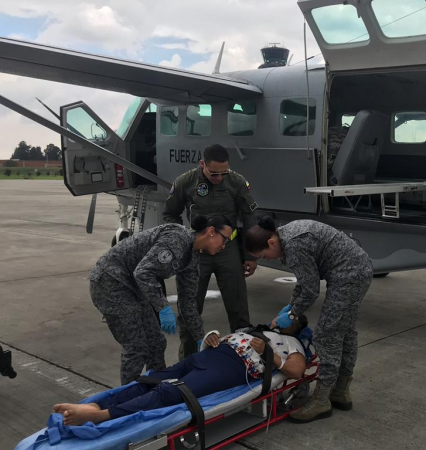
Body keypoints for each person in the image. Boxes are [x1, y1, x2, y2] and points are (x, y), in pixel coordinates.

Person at [53, 315, 309, 426]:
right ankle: (97, 406)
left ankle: (103, 416)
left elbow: (297, 370)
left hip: (235, 367)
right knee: (150, 379)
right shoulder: (254, 328)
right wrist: (211, 338)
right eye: (284, 313)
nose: (283, 317)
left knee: (169, 393)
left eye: (291, 317)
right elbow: (220, 337)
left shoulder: (290, 342)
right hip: (209, 355)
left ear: (294, 327)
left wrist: (269, 353)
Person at [245, 217, 373, 423]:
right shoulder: (286, 237)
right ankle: (340, 391)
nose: (266, 260)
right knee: (345, 331)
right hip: (356, 269)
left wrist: (293, 314)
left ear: (271, 242)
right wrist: (290, 306)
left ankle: (322, 400)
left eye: (264, 256)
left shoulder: (294, 245)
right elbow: (305, 281)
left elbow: (311, 289)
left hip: (349, 274)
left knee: (326, 335)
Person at [89, 215, 233, 385]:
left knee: (156, 343)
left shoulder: (191, 258)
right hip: (110, 282)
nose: (224, 246)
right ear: (210, 232)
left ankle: (156, 387)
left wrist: (199, 336)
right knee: (136, 347)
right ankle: (126, 396)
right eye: (224, 239)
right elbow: (143, 272)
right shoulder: (177, 239)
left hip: (133, 287)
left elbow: (187, 301)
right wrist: (163, 308)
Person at [163, 144, 259, 360]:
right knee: (189, 310)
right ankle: (187, 361)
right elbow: (170, 214)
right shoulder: (185, 182)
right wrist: (183, 242)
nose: (219, 178)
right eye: (214, 173)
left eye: (223, 173)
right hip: (197, 255)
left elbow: (249, 218)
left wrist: (250, 255)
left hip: (229, 251)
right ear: (202, 164)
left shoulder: (236, 181)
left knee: (238, 310)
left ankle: (243, 360)